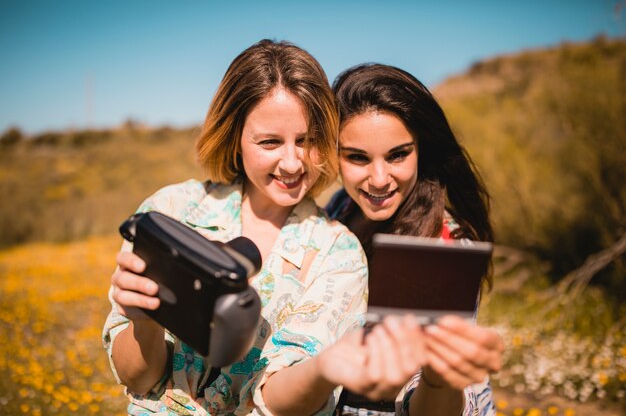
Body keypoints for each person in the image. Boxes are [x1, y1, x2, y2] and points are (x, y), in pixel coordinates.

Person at [102, 39, 371, 416]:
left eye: (308, 141)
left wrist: (326, 368)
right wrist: (143, 320)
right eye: (270, 142)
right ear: (236, 137)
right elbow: (140, 380)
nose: (292, 163)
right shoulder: (171, 212)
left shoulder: (339, 253)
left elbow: (281, 403)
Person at [326, 63, 505, 416]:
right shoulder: (341, 207)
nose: (379, 179)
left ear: (421, 148)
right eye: (357, 157)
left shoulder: (444, 250)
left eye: (398, 154)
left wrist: (439, 378)